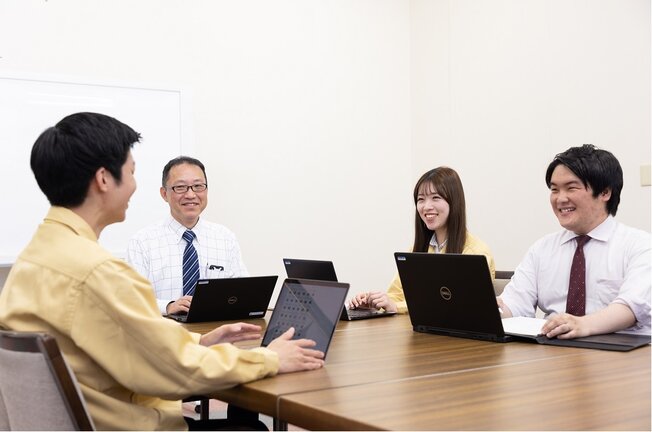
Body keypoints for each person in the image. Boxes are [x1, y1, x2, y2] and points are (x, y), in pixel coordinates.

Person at [0, 112, 325, 431]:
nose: (133, 186)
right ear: (103, 179)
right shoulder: (97, 272)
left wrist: (200, 341)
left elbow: (131, 339)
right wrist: (269, 358)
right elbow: (175, 370)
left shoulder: (35, 259)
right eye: (131, 172)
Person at [498, 144, 651, 338]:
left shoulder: (640, 246)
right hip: (553, 352)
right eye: (554, 190)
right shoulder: (542, 249)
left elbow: (632, 307)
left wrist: (581, 325)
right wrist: (494, 311)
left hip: (619, 353)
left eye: (571, 188)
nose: (560, 199)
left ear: (605, 192)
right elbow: (515, 304)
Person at [350, 166, 495, 313]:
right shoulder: (418, 249)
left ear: (454, 202)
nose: (426, 207)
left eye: (436, 198)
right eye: (421, 200)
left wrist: (395, 307)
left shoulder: (476, 252)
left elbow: (454, 306)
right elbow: (397, 294)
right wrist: (376, 303)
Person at [127, 156, 247, 315]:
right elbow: (131, 299)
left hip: (216, 329)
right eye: (181, 187)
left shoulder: (225, 238)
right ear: (164, 194)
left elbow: (243, 292)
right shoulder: (142, 242)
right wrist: (168, 307)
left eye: (198, 186)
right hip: (165, 333)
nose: (191, 195)